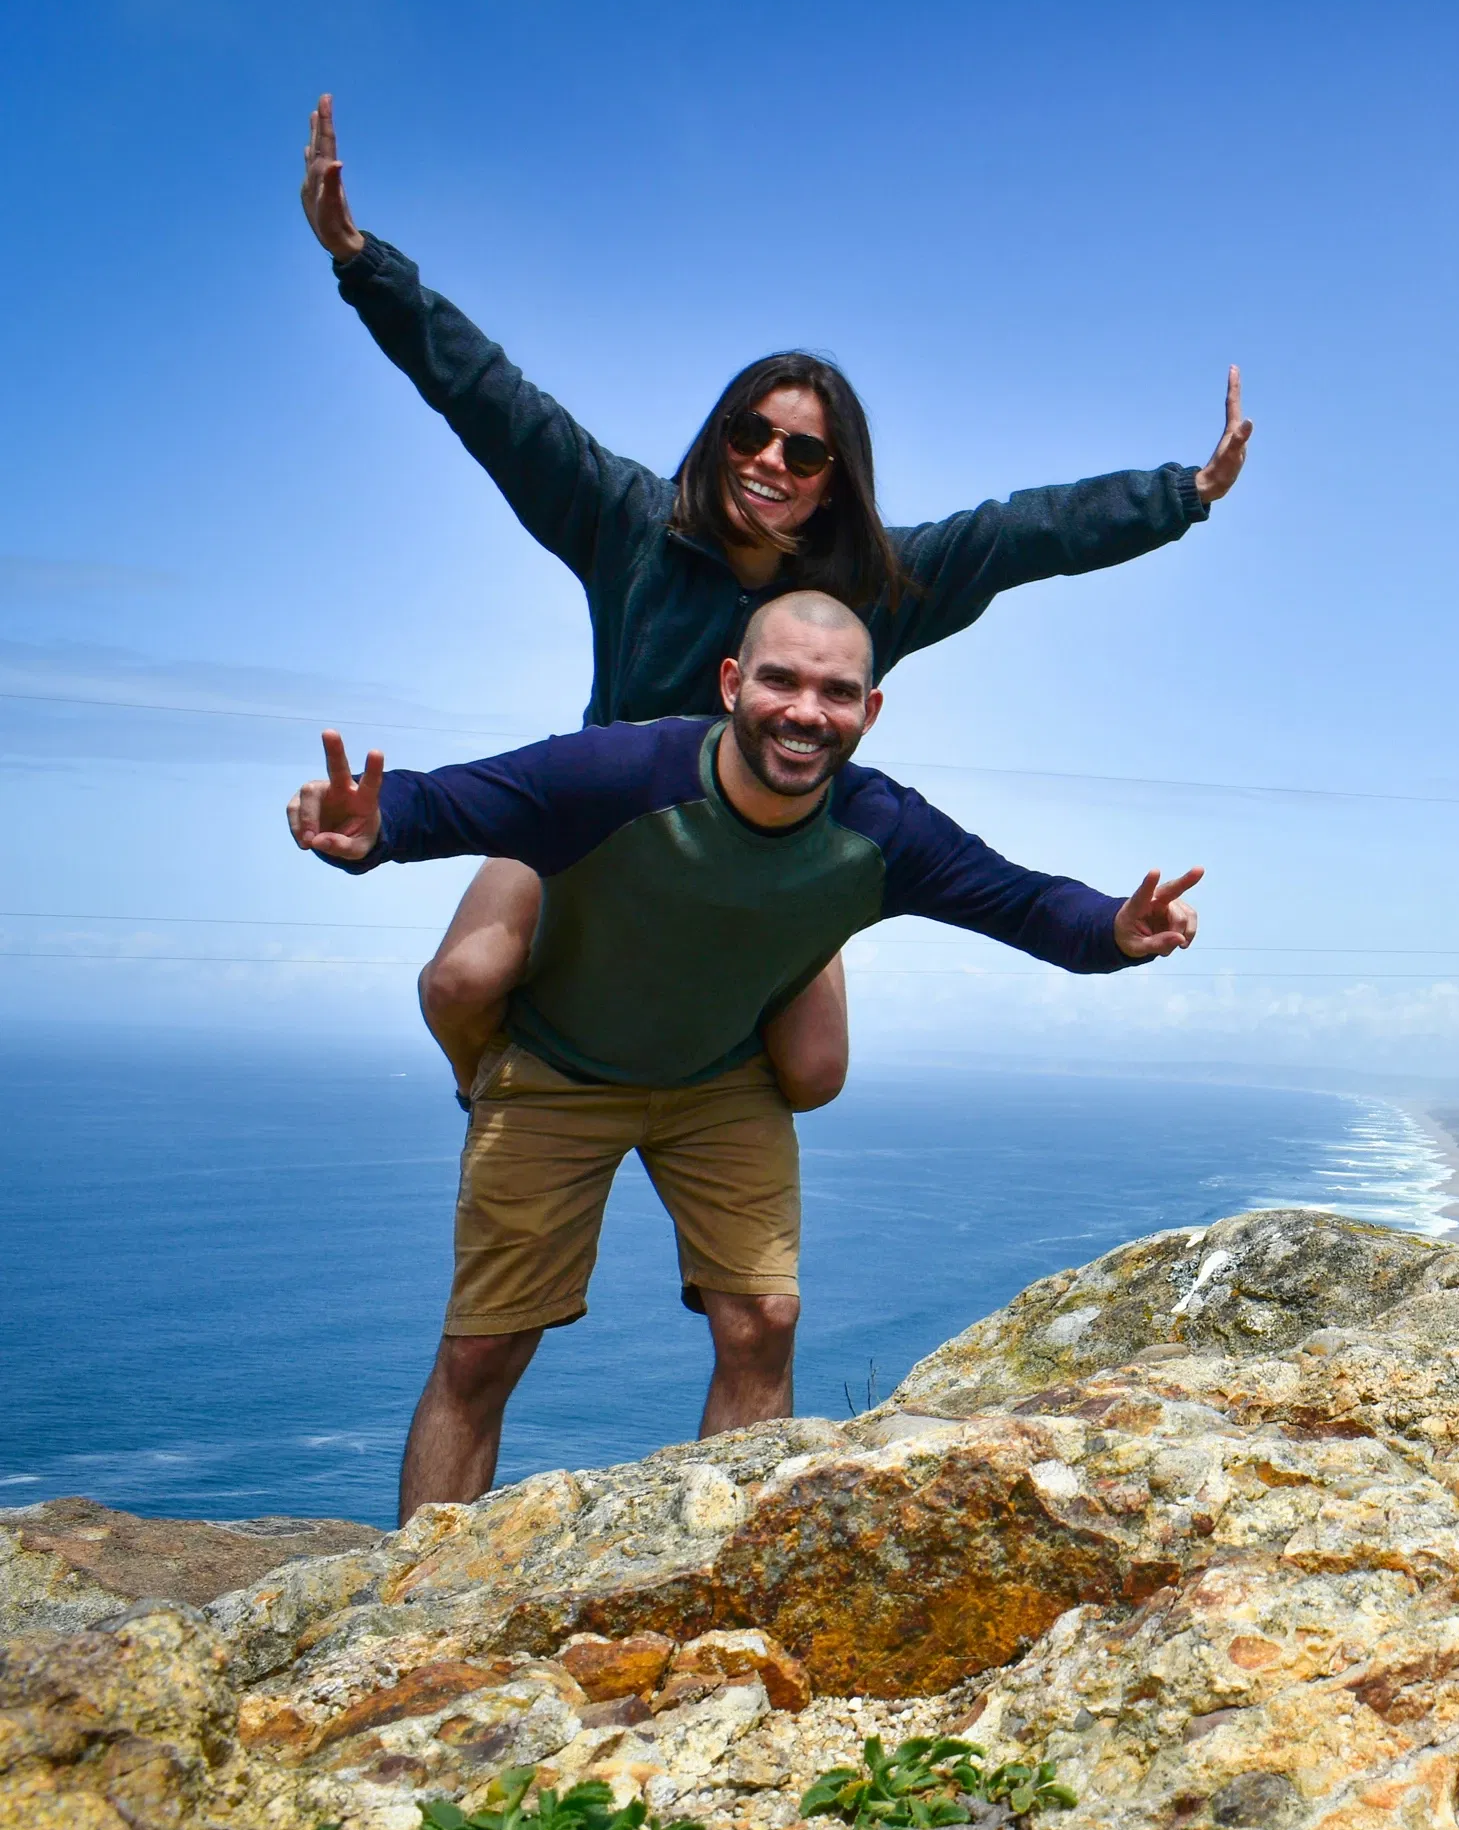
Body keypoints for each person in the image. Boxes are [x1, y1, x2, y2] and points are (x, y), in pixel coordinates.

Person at [300, 94, 1248, 1114]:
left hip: (778, 851)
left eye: (801, 451)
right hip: (599, 829)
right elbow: (492, 402)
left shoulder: (874, 586)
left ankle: (714, 1081)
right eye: (749, 434)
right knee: (460, 983)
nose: (768, 462)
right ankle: (488, 1084)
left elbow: (1023, 532)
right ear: (720, 437)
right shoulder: (626, 522)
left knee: (812, 1071)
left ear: (832, 477)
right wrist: (362, 261)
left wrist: (1179, 495)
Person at [287, 590, 1202, 1522]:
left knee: (763, 1321)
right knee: (483, 1349)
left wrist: (1115, 929)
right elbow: (447, 802)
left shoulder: (883, 825)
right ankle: (411, 1597)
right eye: (782, 681)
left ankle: (719, 1562)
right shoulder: (621, 773)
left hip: (721, 1080)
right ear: (732, 683)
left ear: (870, 711)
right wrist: (371, 829)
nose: (807, 712)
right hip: (557, 1070)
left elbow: (1021, 900)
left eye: (837, 693)